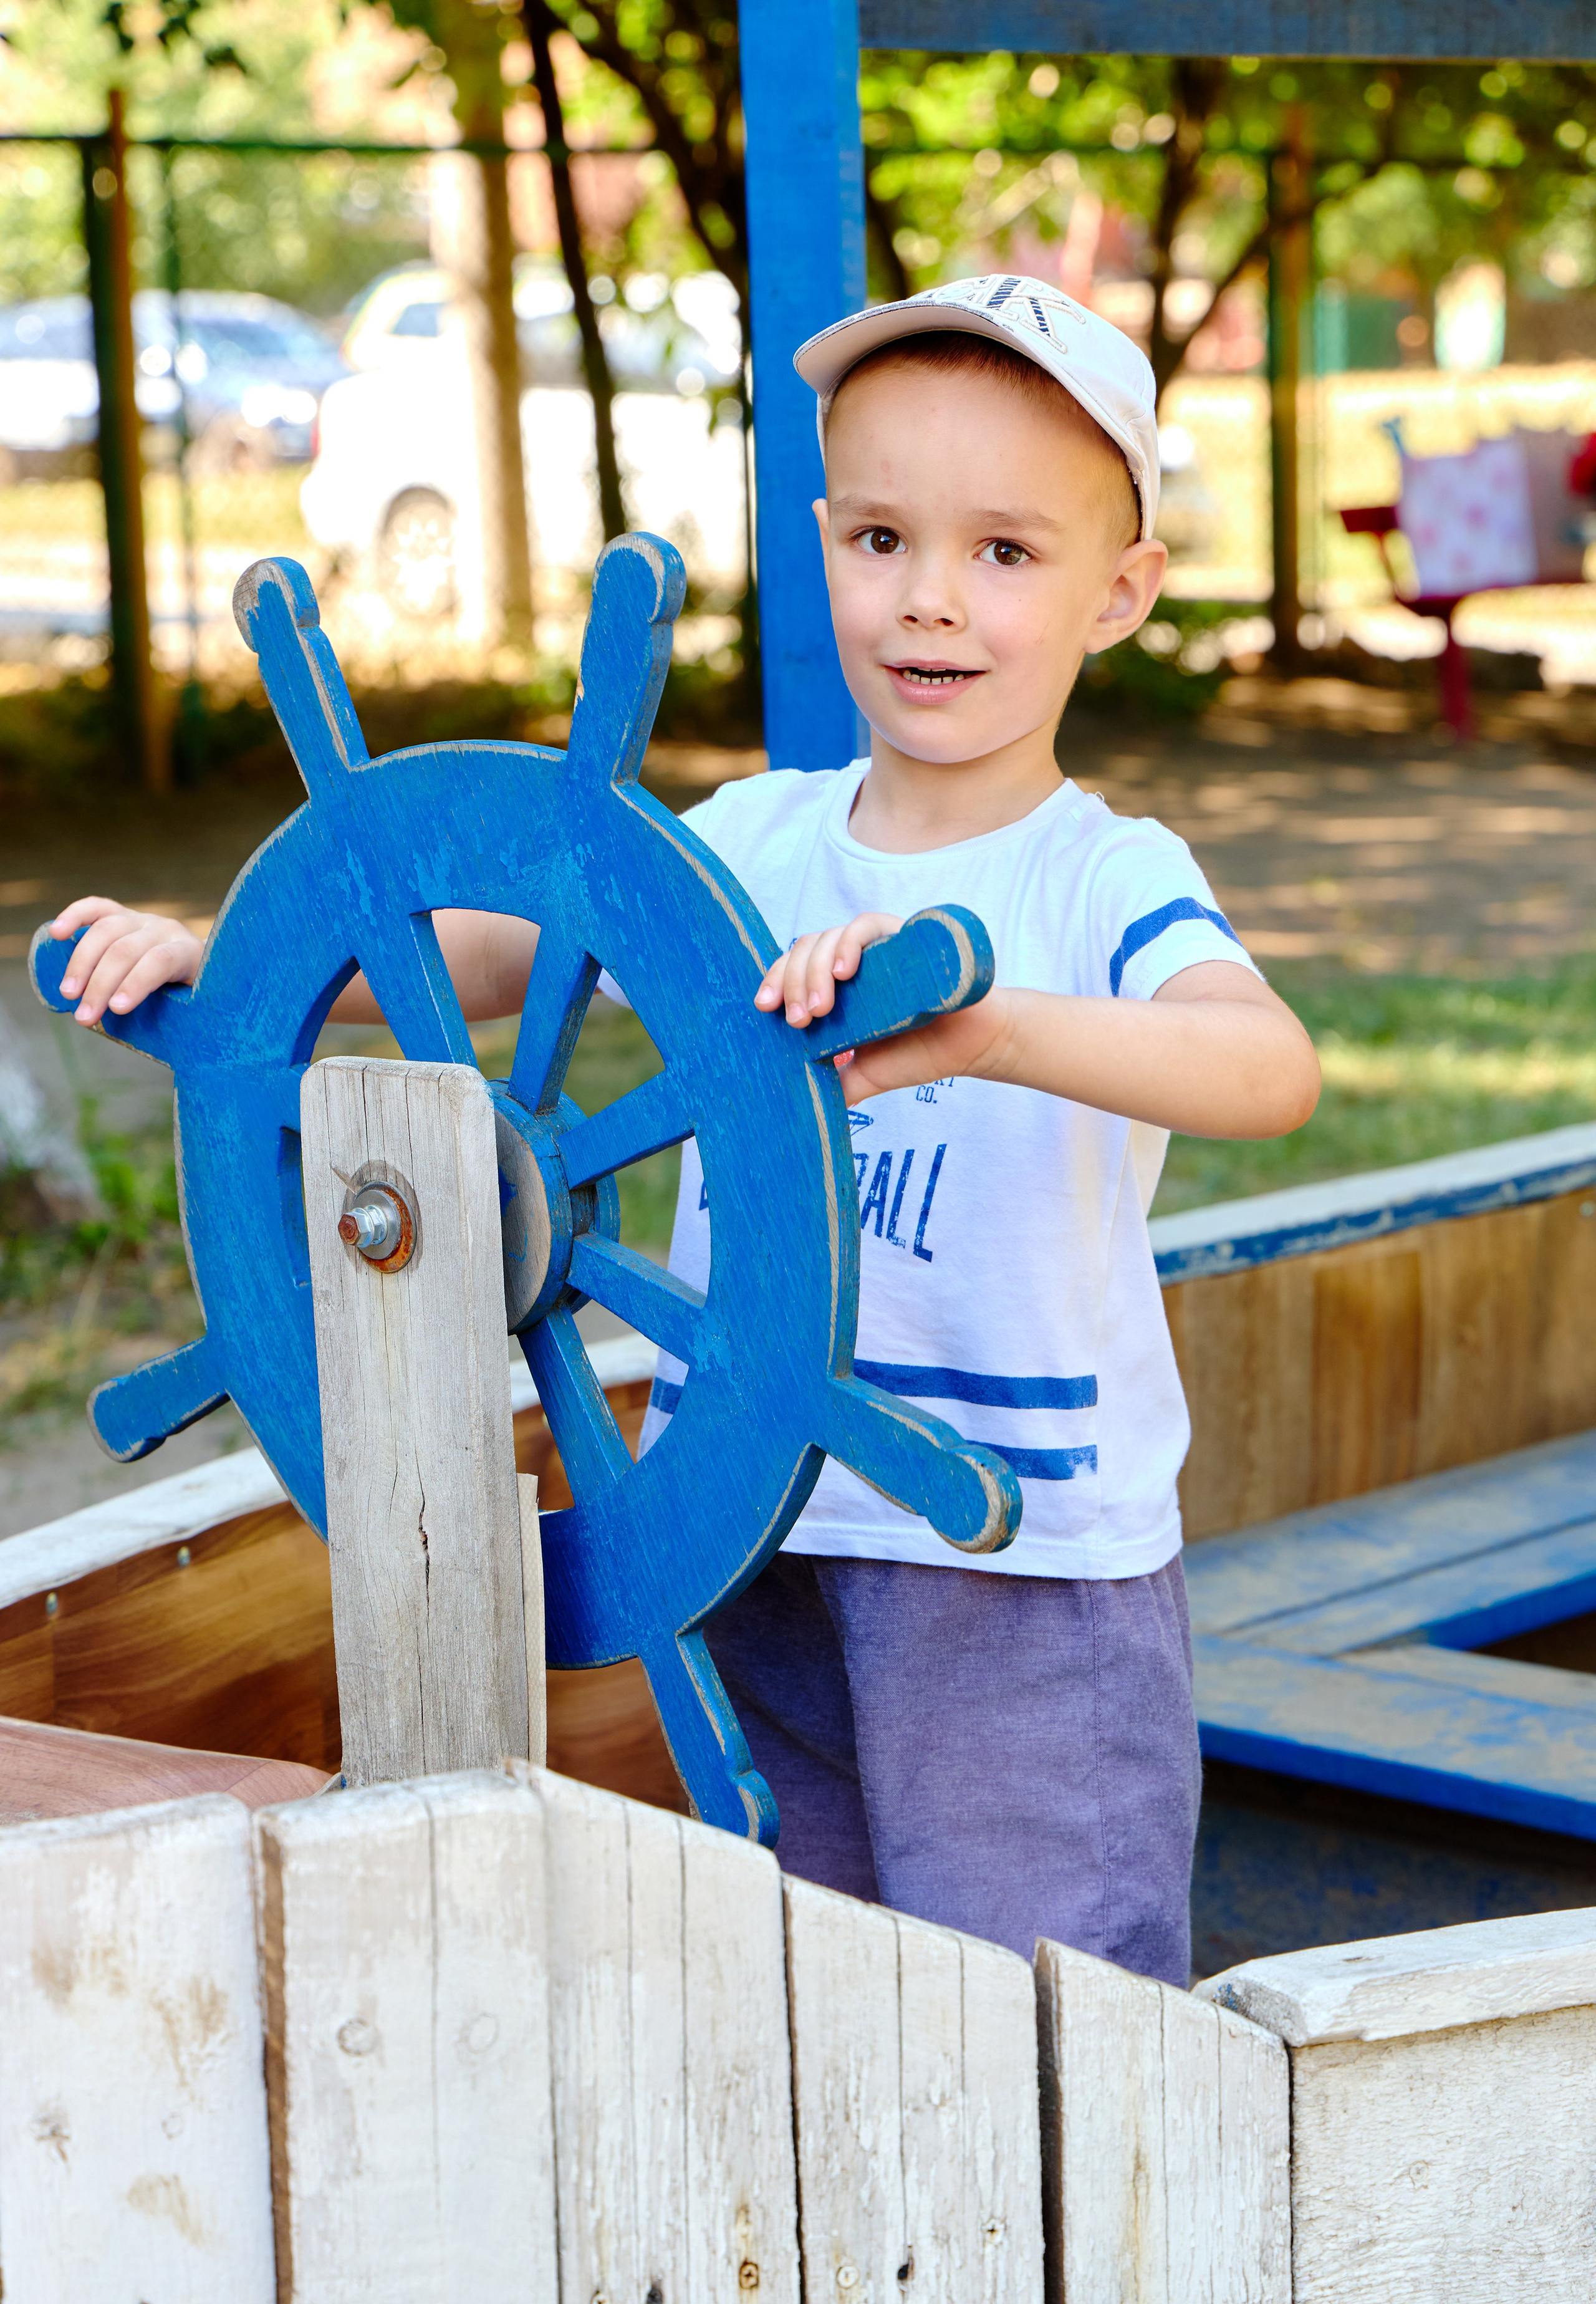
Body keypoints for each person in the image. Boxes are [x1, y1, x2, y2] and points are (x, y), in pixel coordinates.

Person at [48, 273, 1318, 1987]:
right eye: (881, 539)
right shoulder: (760, 840)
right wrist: (235, 957)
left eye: (1006, 554)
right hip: (752, 1514)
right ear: (822, 546)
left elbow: (1264, 1067)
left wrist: (1000, 1025)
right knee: (824, 1974)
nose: (930, 600)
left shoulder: (1098, 877)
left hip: (1005, 1556)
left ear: (1121, 592)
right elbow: (485, 949)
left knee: (1045, 2007)